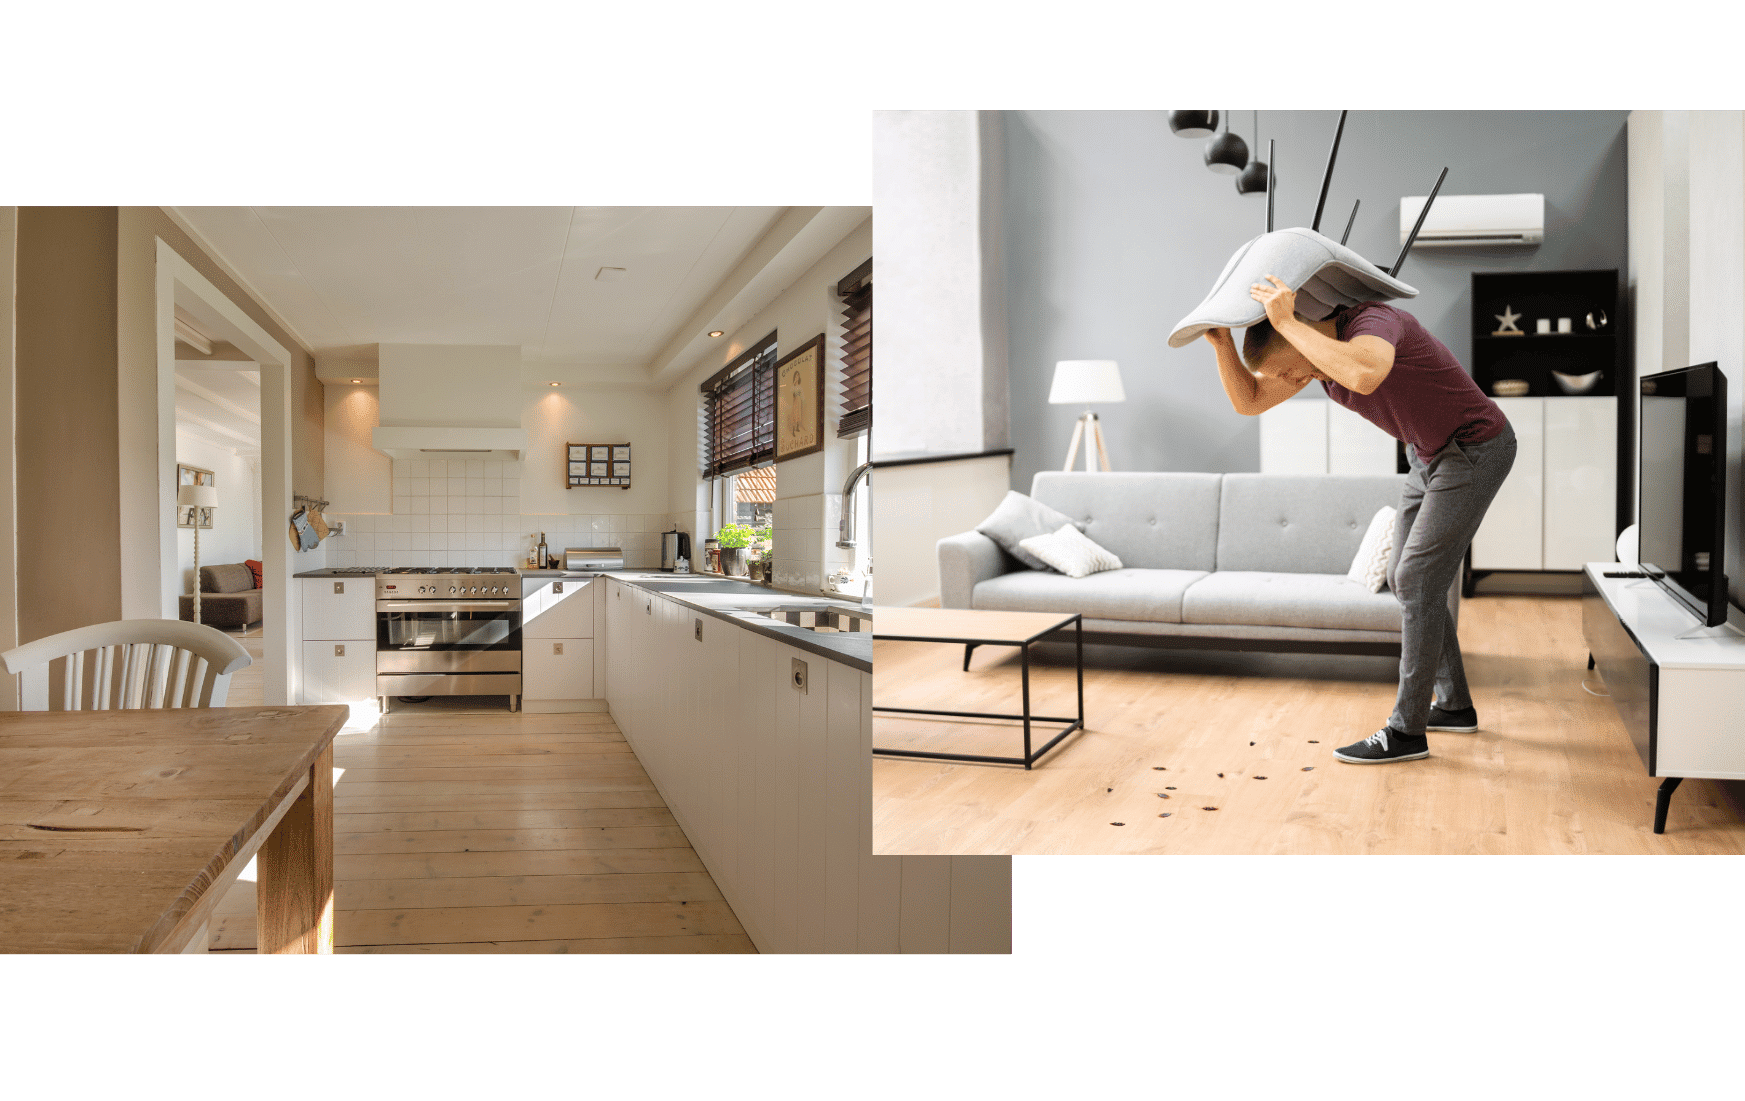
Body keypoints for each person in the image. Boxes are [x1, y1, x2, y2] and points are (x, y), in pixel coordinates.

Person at [1202, 275, 1516, 764]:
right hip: (1428, 454)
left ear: (1301, 331)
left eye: (1288, 372)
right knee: (1408, 579)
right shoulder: (1314, 364)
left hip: (1475, 446)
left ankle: (1406, 731)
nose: (1289, 383)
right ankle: (1453, 705)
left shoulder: (1374, 323)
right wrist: (1222, 344)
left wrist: (1287, 321)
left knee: (1414, 579)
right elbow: (1250, 401)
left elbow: (1367, 373)